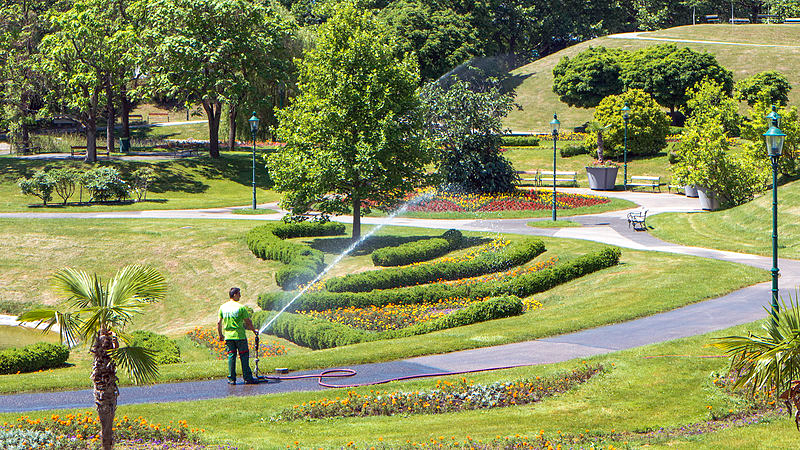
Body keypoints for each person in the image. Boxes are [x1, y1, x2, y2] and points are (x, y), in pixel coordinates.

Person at [217, 287, 258, 385]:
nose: (240, 295)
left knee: (231, 356)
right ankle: (247, 378)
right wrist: (254, 330)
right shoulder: (240, 307)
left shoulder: (223, 307)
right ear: (234, 294)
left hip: (229, 337)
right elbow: (248, 321)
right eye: (239, 294)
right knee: (244, 356)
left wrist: (220, 335)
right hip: (240, 336)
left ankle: (232, 379)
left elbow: (219, 323)